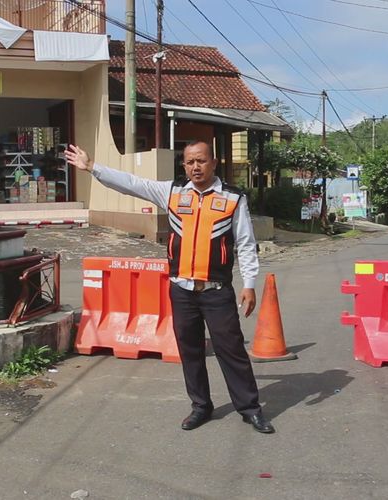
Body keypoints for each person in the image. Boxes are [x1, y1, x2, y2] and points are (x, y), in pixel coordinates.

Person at [65, 141, 275, 434]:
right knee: (190, 351)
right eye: (189, 162)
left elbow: (245, 243)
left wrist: (249, 284)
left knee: (232, 350)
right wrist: (92, 167)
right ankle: (201, 406)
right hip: (182, 290)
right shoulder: (173, 192)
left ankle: (250, 408)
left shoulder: (233, 198)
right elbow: (132, 184)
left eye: (201, 161)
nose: (195, 167)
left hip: (216, 290)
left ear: (213, 163)